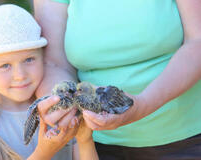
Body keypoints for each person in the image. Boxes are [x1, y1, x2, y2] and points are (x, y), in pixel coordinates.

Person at [34, 0, 201, 159]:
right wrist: (61, 104)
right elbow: (53, 64)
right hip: (94, 144)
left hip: (184, 138)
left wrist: (142, 105)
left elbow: (197, 42)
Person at [0, 4, 98, 160]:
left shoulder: (60, 110)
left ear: (43, 58)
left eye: (29, 59)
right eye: (5, 66)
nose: (20, 75)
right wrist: (45, 152)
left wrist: (84, 139)